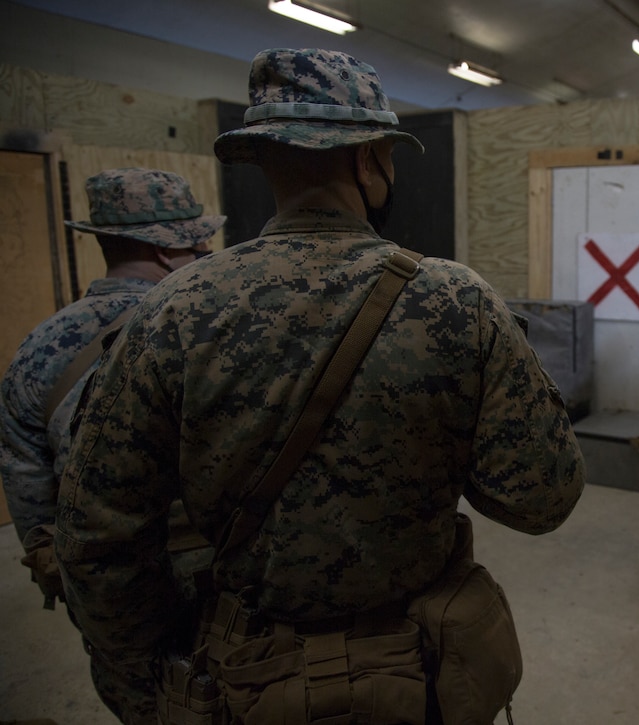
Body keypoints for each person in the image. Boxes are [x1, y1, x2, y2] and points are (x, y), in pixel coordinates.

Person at [55, 48, 585, 723]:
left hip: (247, 678)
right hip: (413, 671)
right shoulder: (456, 302)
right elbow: (543, 498)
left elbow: (96, 535)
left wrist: (147, 687)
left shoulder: (173, 310)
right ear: (368, 161)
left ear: (266, 160)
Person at [0, 167, 223, 609]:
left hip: (102, 590)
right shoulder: (206, 325)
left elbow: (25, 479)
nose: (207, 253)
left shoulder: (37, 346)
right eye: (199, 244)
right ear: (164, 249)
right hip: (207, 579)